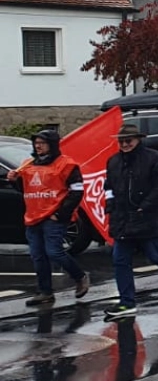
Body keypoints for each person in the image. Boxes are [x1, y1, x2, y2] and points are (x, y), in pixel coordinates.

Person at [3, 129, 91, 308]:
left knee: (54, 252)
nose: (38, 146)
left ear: (52, 145)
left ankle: (80, 276)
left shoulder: (66, 164)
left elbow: (77, 191)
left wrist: (60, 214)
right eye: (36, 143)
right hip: (33, 217)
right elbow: (24, 188)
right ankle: (45, 292)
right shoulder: (27, 164)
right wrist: (14, 180)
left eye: (42, 143)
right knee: (37, 255)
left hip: (54, 217)